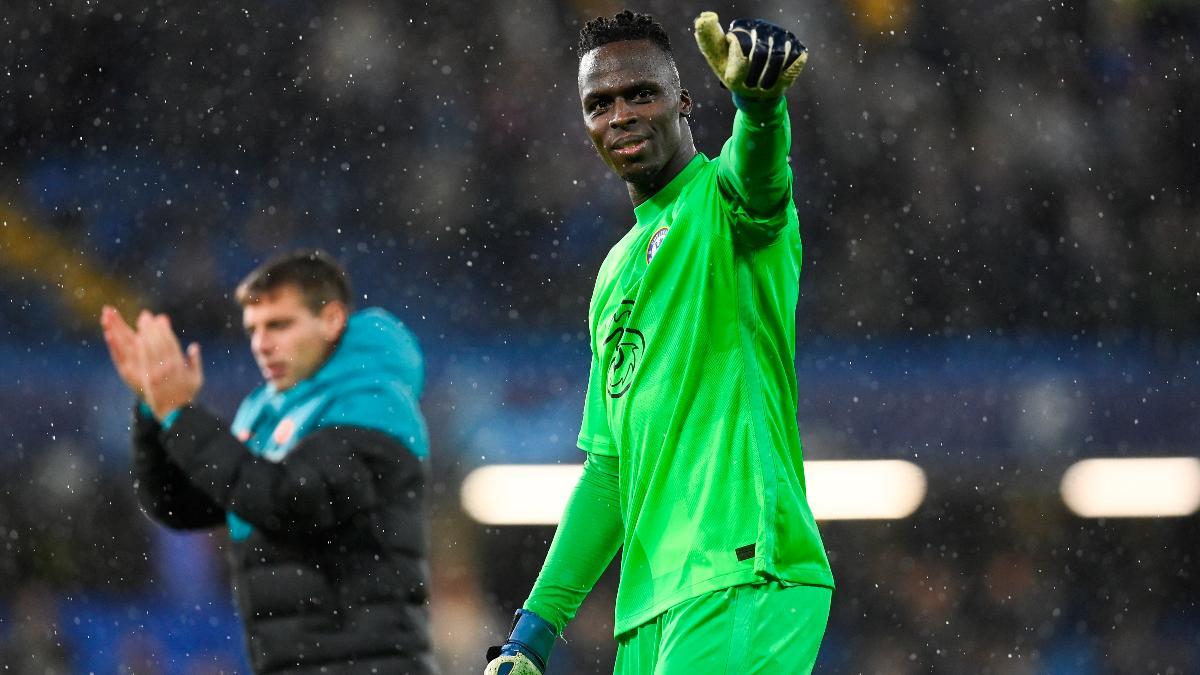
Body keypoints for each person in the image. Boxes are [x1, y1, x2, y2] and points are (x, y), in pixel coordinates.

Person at [484, 10, 834, 675]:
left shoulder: (724, 205)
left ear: (684, 101)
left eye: (639, 93)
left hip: (739, 569)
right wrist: (531, 634)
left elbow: (761, 180)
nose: (620, 114)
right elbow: (609, 470)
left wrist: (760, 109)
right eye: (600, 103)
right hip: (649, 607)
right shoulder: (615, 270)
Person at [100, 249, 438, 674]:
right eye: (253, 329)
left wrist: (180, 414)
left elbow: (288, 499)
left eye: (279, 324)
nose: (261, 343)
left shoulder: (374, 402)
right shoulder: (265, 412)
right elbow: (180, 505)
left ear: (332, 320)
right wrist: (155, 410)